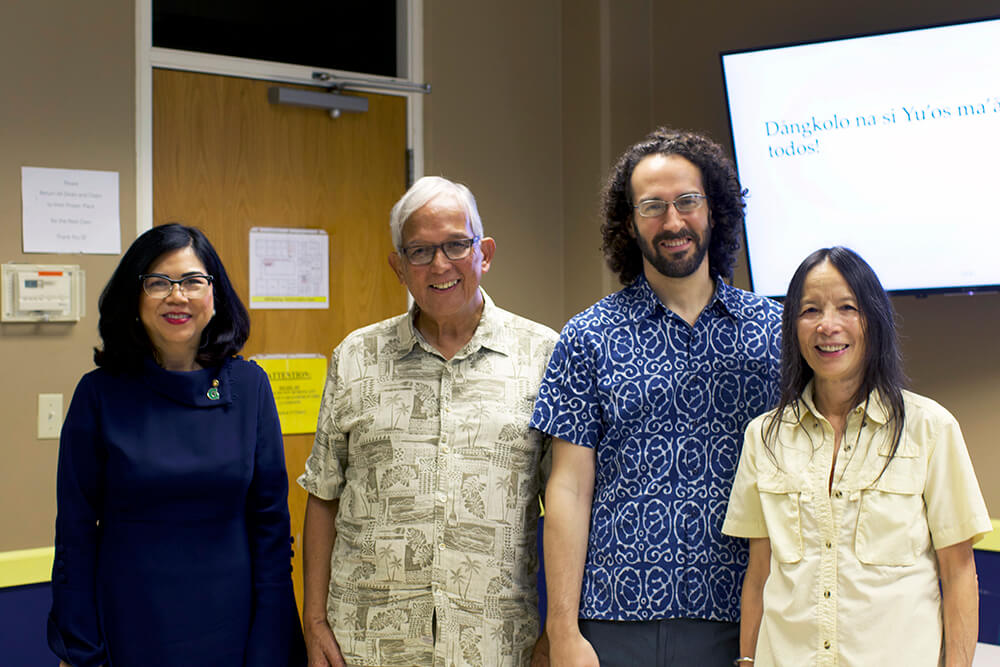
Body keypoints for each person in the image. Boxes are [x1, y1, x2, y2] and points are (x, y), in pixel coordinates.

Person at [530, 127, 783, 666]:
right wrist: (562, 631)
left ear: (714, 209)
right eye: (652, 206)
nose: (673, 222)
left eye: (687, 202)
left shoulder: (774, 333)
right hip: (615, 622)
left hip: (748, 616)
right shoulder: (589, 336)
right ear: (628, 223)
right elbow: (569, 489)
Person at [299, 176, 559, 667]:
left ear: (484, 253)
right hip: (366, 644)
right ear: (398, 267)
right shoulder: (356, 357)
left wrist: (558, 630)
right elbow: (324, 493)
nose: (440, 265)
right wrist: (314, 622)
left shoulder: (543, 355)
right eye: (419, 251)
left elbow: (567, 507)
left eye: (456, 245)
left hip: (496, 644)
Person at [47, 223, 306, 667]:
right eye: (158, 283)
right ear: (135, 298)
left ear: (214, 294)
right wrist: (81, 648)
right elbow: (74, 535)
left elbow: (271, 532)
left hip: (234, 628)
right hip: (128, 628)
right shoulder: (99, 395)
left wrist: (271, 646)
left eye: (192, 281)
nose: (177, 296)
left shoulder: (250, 387)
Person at [723, 246, 991, 666]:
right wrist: (746, 661)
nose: (828, 326)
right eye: (810, 310)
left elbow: (958, 574)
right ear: (793, 326)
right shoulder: (764, 437)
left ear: (874, 321)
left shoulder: (931, 429)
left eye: (847, 307)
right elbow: (759, 574)